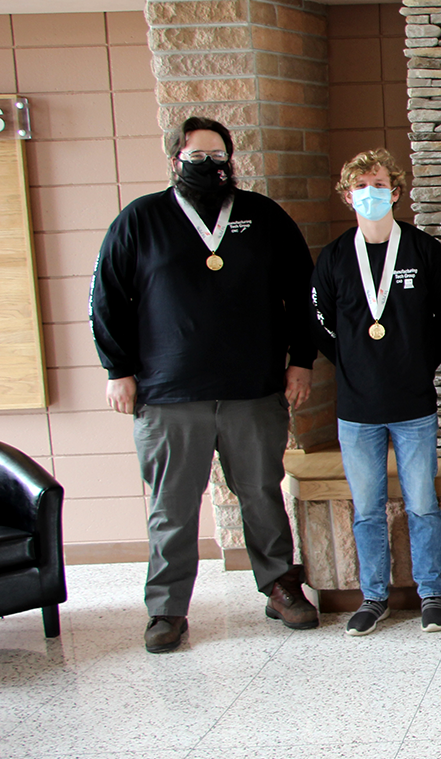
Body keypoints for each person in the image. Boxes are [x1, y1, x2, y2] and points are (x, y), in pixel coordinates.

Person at [91, 116, 320, 653]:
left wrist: (301, 361)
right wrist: (116, 370)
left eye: (219, 156)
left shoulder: (262, 217)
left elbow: (301, 293)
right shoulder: (140, 220)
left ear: (231, 161)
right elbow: (105, 300)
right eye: (197, 157)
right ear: (176, 161)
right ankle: (167, 609)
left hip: (254, 390)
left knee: (262, 495)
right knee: (172, 507)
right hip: (169, 396)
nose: (211, 166)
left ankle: (279, 586)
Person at [311, 149, 441, 636]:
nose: (371, 194)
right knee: (368, 508)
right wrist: (357, 365)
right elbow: (322, 328)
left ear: (396, 192)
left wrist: (419, 365)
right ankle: (373, 595)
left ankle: (431, 592)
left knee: (421, 502)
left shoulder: (423, 251)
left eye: (379, 185)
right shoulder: (334, 257)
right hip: (357, 409)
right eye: (361, 187)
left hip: (413, 404)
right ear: (347, 196)